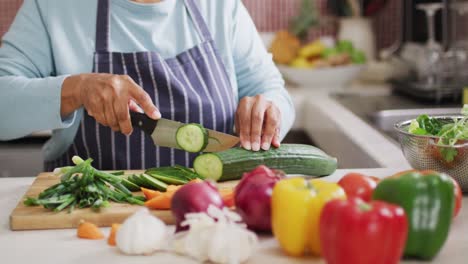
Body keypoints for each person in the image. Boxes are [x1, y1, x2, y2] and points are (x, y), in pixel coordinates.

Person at [0, 0, 295, 171]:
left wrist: (268, 110)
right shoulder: (54, 6)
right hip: (86, 225)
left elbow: (271, 89)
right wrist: (76, 89)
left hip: (209, 220)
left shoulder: (219, 5)